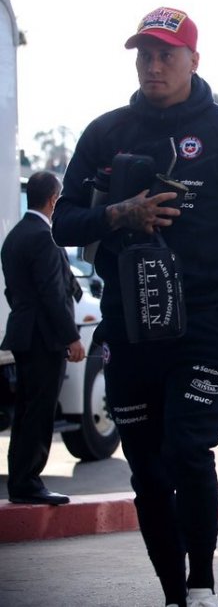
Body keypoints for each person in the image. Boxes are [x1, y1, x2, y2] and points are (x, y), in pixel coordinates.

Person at [52, 7, 218, 607]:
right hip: (128, 324)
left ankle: (202, 584)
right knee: (147, 469)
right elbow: (63, 222)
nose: (153, 65)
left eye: (166, 55)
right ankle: (173, 594)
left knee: (187, 449)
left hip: (203, 319)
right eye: (144, 55)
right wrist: (118, 215)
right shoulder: (107, 132)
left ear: (193, 61)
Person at [2, 171, 86, 506]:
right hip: (44, 338)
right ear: (53, 200)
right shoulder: (43, 237)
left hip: (24, 333)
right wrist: (72, 338)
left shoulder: (16, 236)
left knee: (26, 410)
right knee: (39, 411)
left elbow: (14, 290)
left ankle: (22, 480)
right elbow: (52, 295)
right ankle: (28, 482)